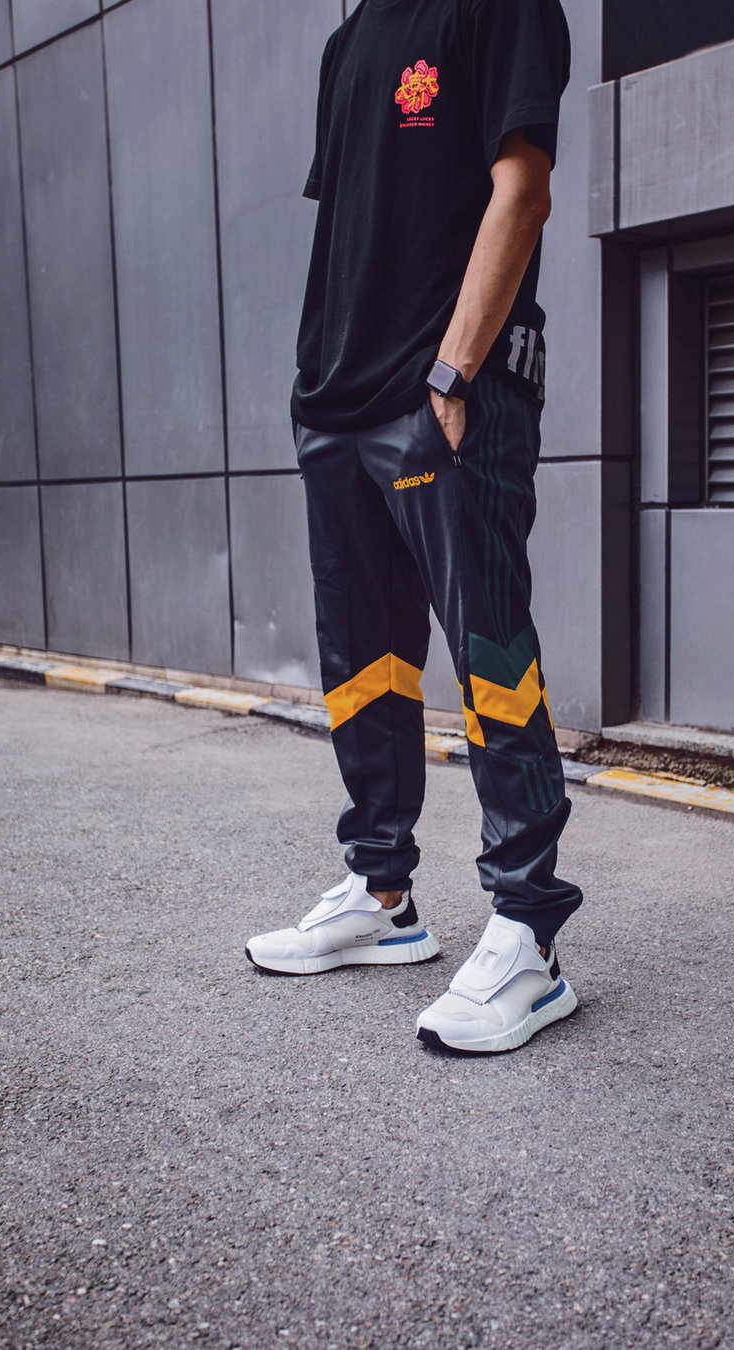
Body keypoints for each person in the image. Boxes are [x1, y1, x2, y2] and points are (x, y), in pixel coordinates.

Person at [246, 0, 583, 1054]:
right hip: (337, 405)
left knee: (491, 657)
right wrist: (313, 385)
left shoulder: (499, 7)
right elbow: (353, 220)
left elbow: (522, 189)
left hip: (442, 399)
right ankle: (382, 895)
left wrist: (454, 372)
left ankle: (529, 933)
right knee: (363, 661)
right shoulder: (349, 42)